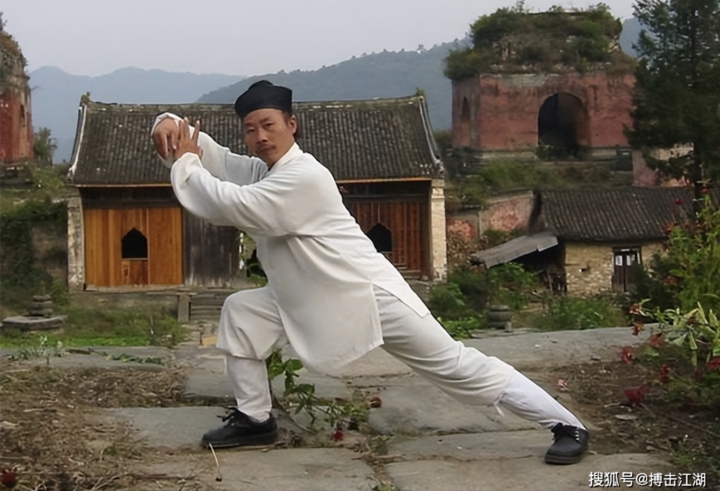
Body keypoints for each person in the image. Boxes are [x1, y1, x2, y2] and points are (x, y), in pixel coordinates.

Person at [150, 80, 589, 465]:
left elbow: (229, 203)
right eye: (251, 129)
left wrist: (185, 163)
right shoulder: (264, 170)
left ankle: (567, 425)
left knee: (456, 366)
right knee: (243, 313)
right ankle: (254, 420)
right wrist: (168, 123)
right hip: (307, 293)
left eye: (269, 125)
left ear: (292, 125)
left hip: (368, 295)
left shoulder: (304, 177)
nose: (261, 136)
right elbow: (220, 159)